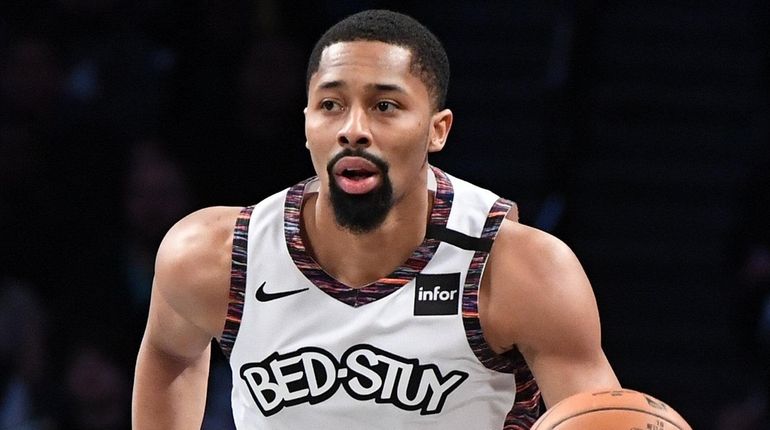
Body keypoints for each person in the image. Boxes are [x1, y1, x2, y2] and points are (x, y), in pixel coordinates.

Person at [132, 9, 620, 429]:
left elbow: (599, 417)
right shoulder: (216, 257)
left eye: (385, 106)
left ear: (437, 131)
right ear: (306, 124)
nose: (353, 130)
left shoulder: (516, 268)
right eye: (330, 105)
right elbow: (170, 354)